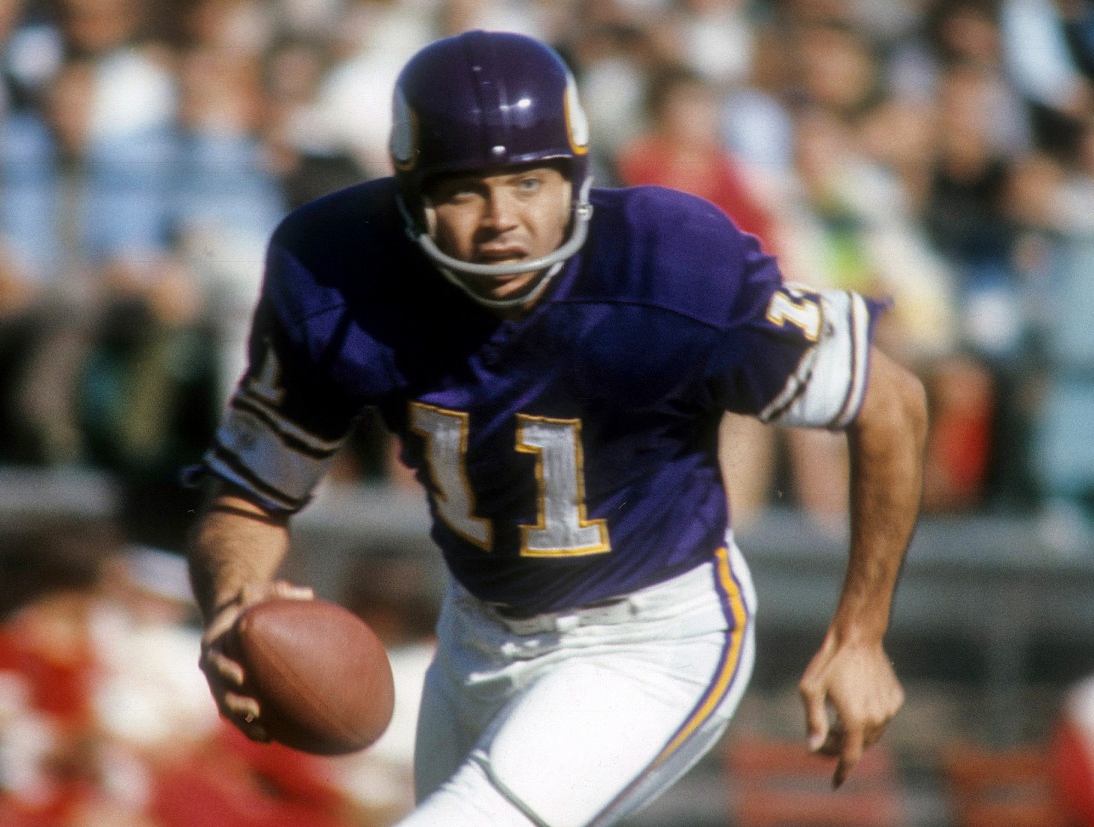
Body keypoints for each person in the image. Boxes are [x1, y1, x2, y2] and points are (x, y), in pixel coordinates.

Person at [185, 30, 928, 827]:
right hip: (475, 634)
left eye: (530, 182)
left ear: (575, 176)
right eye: (465, 190)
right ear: (409, 194)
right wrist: (234, 601)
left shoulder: (666, 264)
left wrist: (861, 633)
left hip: (652, 639)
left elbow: (891, 402)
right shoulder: (336, 272)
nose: (503, 219)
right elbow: (247, 496)